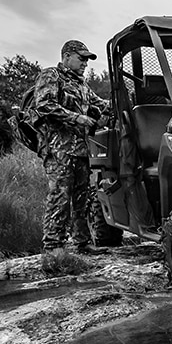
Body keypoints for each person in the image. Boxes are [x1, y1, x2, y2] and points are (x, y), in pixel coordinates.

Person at [31, 39, 110, 255]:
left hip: (82, 151)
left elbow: (101, 103)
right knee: (59, 197)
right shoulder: (51, 76)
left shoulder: (82, 84)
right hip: (58, 151)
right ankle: (53, 246)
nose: (85, 63)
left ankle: (82, 243)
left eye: (87, 59)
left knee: (81, 199)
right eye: (81, 58)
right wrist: (78, 118)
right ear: (66, 56)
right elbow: (44, 105)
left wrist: (124, 103)